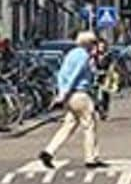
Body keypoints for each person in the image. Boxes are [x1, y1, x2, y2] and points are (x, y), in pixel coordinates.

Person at [39, 31, 103, 170]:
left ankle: (49, 152)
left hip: (70, 97)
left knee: (69, 125)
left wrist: (62, 92)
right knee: (89, 124)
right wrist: (65, 92)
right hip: (80, 94)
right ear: (88, 43)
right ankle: (91, 158)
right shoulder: (83, 56)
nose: (94, 46)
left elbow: (62, 74)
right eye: (93, 43)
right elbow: (76, 74)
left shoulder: (71, 54)